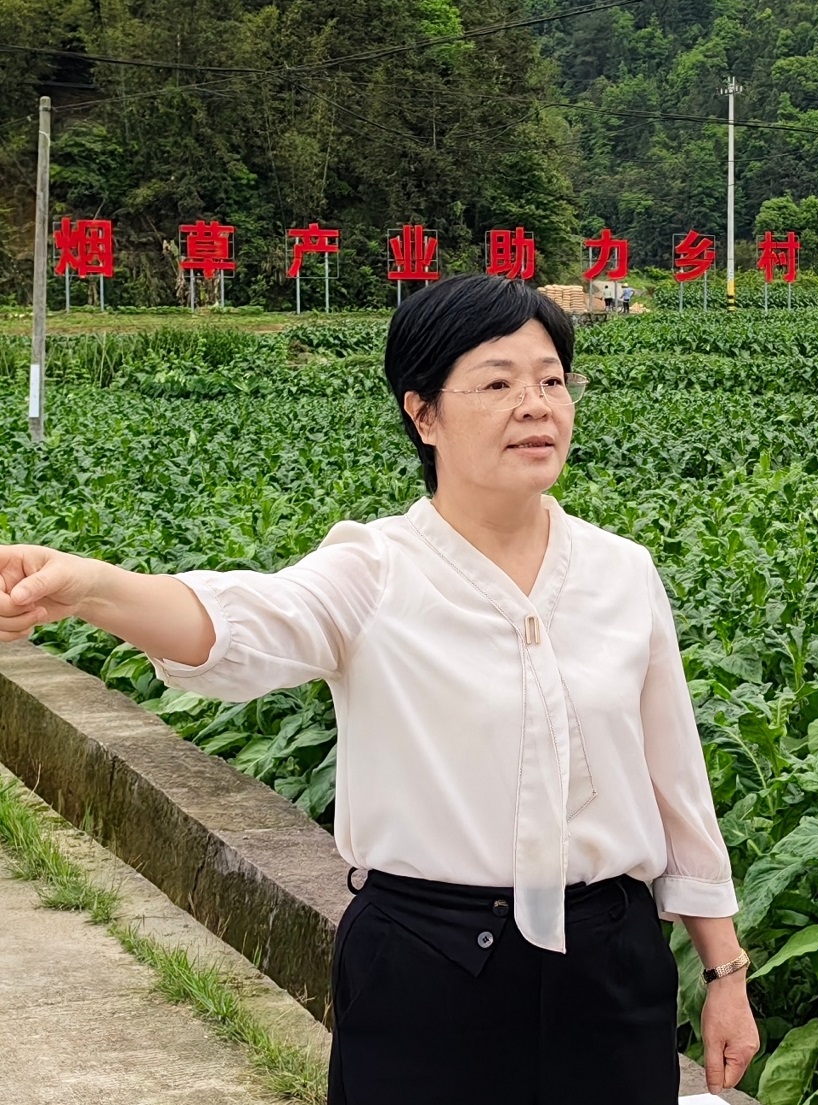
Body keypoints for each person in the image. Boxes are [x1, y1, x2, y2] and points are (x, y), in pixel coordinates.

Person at [0, 274, 760, 1104]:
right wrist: (94, 587)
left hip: (610, 965)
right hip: (426, 966)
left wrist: (723, 970)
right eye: (497, 384)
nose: (536, 406)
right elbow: (239, 622)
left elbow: (674, 782)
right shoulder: (375, 568)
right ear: (422, 413)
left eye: (551, 380)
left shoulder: (621, 572)